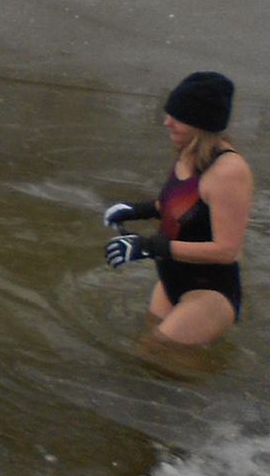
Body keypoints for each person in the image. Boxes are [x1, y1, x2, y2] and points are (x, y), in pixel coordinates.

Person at [102, 71, 254, 346]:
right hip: (171, 280)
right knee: (143, 356)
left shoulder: (228, 171)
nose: (167, 122)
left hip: (209, 292)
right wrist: (139, 210)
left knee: (152, 354)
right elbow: (183, 208)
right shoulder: (189, 152)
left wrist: (148, 247)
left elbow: (228, 250)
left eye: (177, 117)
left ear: (200, 122)